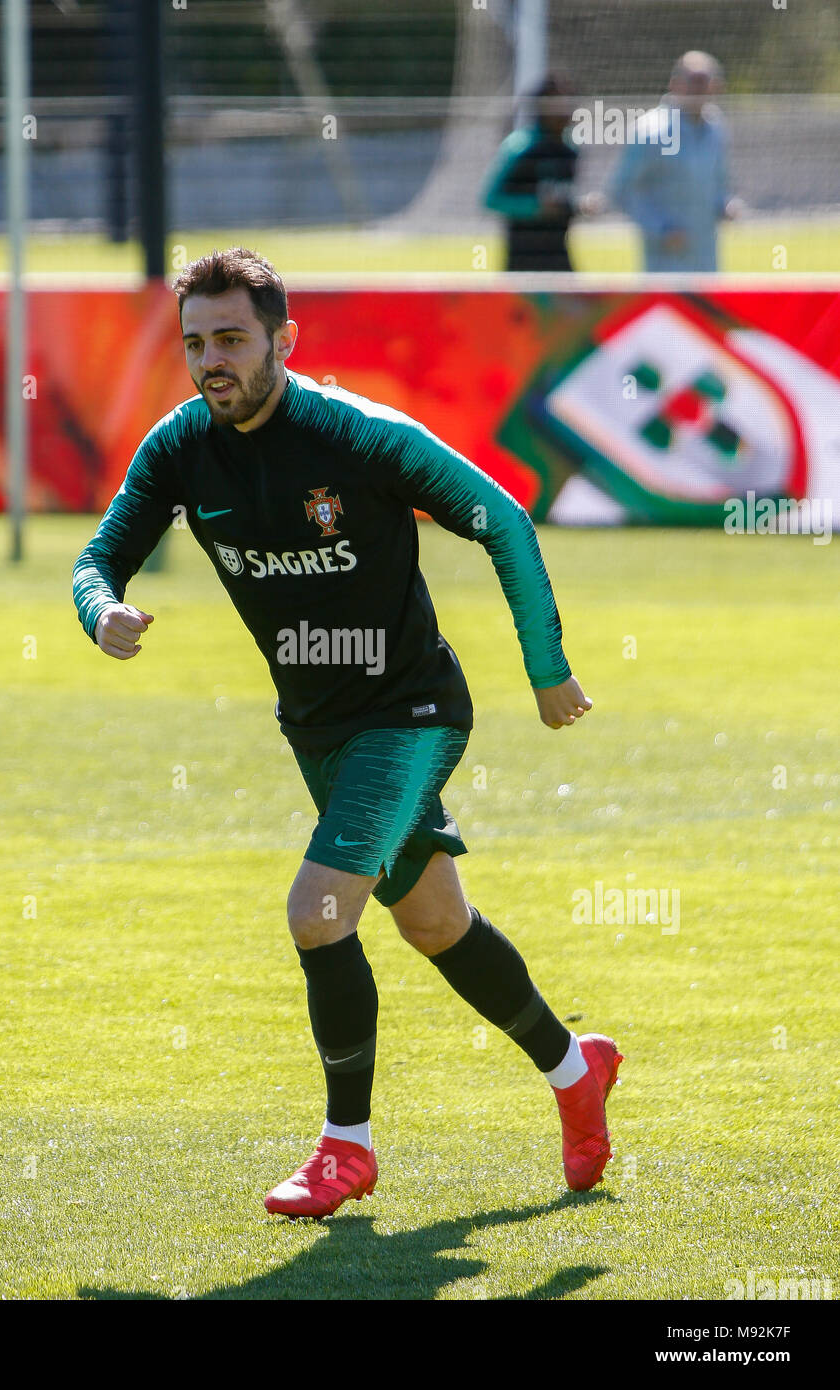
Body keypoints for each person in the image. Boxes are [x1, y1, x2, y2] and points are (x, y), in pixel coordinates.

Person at [72, 247, 622, 1220]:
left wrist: (547, 669)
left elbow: (500, 517)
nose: (211, 361)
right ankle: (576, 1068)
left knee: (317, 909)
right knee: (434, 924)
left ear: (284, 339)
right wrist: (101, 609)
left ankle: (346, 1149)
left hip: (411, 714)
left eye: (233, 338)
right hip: (315, 730)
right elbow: (99, 556)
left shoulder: (359, 438)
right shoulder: (179, 448)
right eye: (196, 341)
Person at [610, 51, 741, 272]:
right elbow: (623, 191)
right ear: (676, 84)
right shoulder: (650, 132)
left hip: (706, 261)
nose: (700, 90)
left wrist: (725, 205)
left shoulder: (717, 129)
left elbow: (720, 182)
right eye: (694, 82)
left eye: (705, 82)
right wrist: (661, 228)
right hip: (665, 265)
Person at [481, 72, 593, 272]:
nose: (564, 110)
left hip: (560, 258)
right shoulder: (521, 147)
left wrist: (578, 207)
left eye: (568, 102)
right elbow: (490, 199)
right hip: (523, 260)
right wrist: (535, 207)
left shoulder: (570, 150)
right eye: (557, 103)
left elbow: (560, 198)